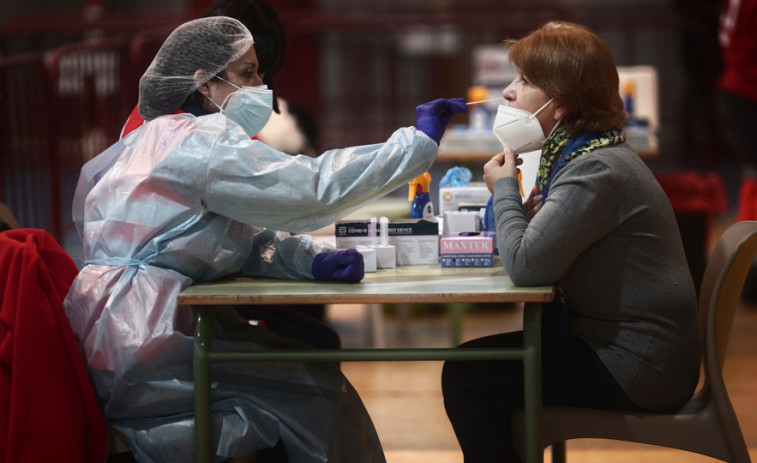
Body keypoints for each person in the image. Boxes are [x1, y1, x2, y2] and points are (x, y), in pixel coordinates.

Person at [63, 16, 467, 463]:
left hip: (122, 329)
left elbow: (225, 239)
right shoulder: (198, 142)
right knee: (314, 394)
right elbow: (311, 188)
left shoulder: (154, 139)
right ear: (204, 83)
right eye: (247, 74)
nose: (261, 85)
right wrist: (414, 144)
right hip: (148, 343)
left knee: (308, 365)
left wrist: (306, 259)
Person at [441, 21, 700, 462]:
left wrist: (504, 188)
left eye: (524, 81)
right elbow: (535, 252)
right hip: (632, 350)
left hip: (641, 365)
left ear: (559, 105)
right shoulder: (587, 155)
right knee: (479, 369)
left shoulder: (596, 170)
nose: (507, 92)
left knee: (471, 377)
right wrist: (520, 214)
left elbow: (526, 268)